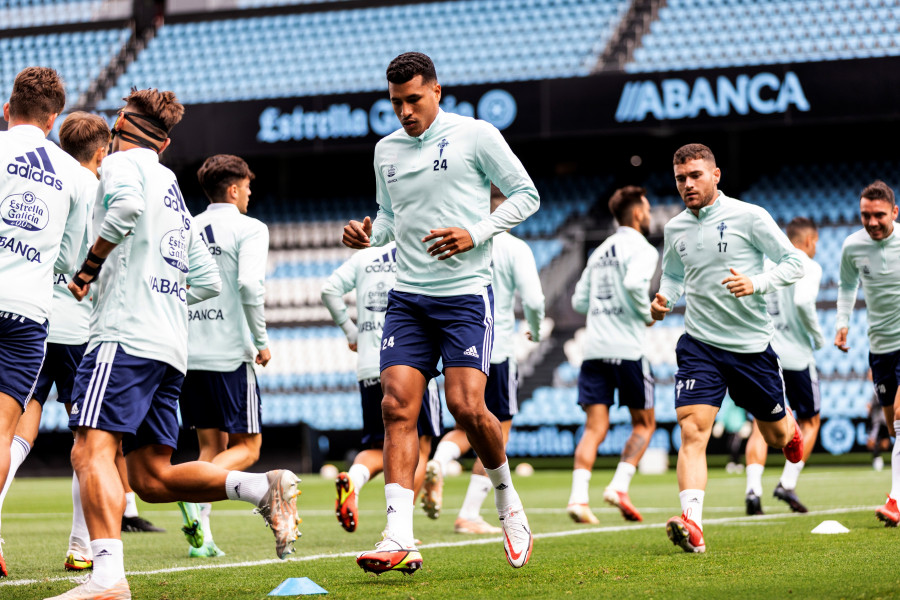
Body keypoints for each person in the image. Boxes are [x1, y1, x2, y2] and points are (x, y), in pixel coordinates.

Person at [47, 89, 300, 600]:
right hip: (169, 347)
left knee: (89, 451)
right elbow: (205, 280)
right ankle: (259, 486)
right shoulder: (173, 187)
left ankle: (107, 578)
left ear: (123, 126)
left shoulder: (123, 167)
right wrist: (161, 291)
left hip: (123, 335)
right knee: (151, 476)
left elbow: (125, 211)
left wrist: (88, 269)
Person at [342, 52, 539, 574]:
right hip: (407, 298)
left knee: (467, 408)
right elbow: (388, 218)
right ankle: (398, 535)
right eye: (395, 103)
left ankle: (507, 505)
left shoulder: (477, 134)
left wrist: (476, 232)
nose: (404, 112)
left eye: (413, 99)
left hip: (466, 294)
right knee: (395, 406)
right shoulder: (385, 150)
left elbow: (527, 195)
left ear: (436, 90)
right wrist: (368, 236)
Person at [0, 112, 164, 578]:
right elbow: (87, 258)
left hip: (34, 321)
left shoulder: (45, 176)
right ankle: (81, 547)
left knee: (16, 434)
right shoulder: (90, 185)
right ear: (100, 152)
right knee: (92, 442)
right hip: (77, 329)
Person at [651, 143, 804, 554]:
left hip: (752, 348)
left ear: (716, 175)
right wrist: (663, 298)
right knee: (692, 430)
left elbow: (795, 263)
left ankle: (788, 427)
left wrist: (757, 282)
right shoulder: (675, 228)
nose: (687, 184)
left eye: (696, 175)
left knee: (775, 438)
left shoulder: (750, 217)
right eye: (681, 177)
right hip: (700, 344)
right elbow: (673, 276)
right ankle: (693, 525)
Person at [0, 66, 87, 577]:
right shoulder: (73, 174)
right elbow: (75, 255)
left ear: (7, 109)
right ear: (53, 120)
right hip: (29, 313)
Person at [428, 185, 545, 535]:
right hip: (499, 351)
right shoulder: (514, 247)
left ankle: (439, 460)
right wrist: (536, 331)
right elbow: (535, 300)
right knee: (496, 431)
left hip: (459, 350)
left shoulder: (460, 245)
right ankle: (468, 513)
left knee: (467, 423)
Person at [175, 154, 272, 558]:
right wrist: (261, 339)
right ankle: (184, 485)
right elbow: (250, 285)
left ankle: (204, 536)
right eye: (247, 187)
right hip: (230, 355)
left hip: (188, 354)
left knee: (211, 449)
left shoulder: (186, 226)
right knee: (249, 446)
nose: (250, 193)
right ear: (233, 189)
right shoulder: (250, 228)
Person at [321, 241, 443, 534]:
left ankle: (354, 478)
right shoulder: (418, 249)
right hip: (410, 363)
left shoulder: (364, 257)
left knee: (381, 444)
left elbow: (329, 290)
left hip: (369, 365)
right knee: (420, 448)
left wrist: (352, 332)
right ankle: (399, 528)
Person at [565, 186, 658, 525]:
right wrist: (645, 313)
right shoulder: (643, 249)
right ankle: (619, 485)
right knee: (644, 423)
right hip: (628, 350)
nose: (649, 215)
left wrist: (605, 308)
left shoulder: (600, 251)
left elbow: (578, 302)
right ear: (637, 213)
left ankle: (578, 498)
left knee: (594, 427)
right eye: (646, 209)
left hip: (594, 351)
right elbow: (635, 286)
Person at [745, 217, 825, 515]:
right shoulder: (808, 264)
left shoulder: (767, 265)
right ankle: (787, 483)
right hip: (798, 356)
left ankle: (753, 492)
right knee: (811, 421)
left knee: (760, 424)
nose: (815, 248)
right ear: (807, 241)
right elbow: (804, 303)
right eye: (815, 243)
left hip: (766, 355)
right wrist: (818, 338)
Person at [835, 180, 900, 526]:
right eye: (865, 216)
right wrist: (842, 322)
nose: (872, 222)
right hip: (880, 346)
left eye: (879, 215)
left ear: (894, 212)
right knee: (892, 426)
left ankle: (895, 501)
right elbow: (847, 285)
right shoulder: (852, 246)